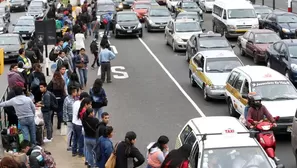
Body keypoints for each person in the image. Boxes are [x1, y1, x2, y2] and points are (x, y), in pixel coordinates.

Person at [72, 92, 89, 163]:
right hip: (79, 124)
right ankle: (81, 152)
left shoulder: (75, 102)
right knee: (81, 139)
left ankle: (74, 151)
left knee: (75, 137)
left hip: (74, 122)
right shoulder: (81, 105)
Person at [63, 87, 77, 151]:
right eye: (75, 92)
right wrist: (65, 119)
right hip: (70, 119)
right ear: (72, 92)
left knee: (72, 133)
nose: (76, 93)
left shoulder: (73, 99)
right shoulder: (68, 100)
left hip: (73, 119)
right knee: (70, 133)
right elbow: (65, 110)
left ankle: (72, 145)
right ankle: (69, 146)